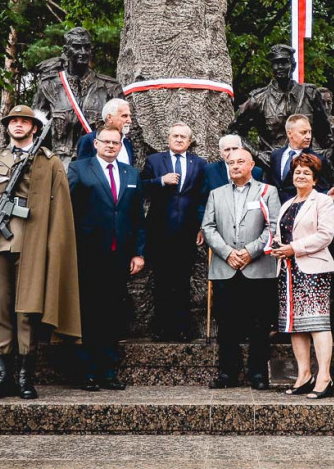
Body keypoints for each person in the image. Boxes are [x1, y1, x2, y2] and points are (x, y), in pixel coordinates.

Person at [0, 105, 81, 400]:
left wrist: (54, 248)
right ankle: (4, 375)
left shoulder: (49, 162)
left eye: (24, 121)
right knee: (0, 310)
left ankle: (26, 375)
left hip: (33, 243)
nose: (18, 125)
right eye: (13, 121)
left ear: (34, 128)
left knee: (26, 311)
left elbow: (60, 210)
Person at [67, 125, 147, 390]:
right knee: (90, 314)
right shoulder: (80, 169)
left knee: (113, 314)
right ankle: (88, 372)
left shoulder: (131, 173)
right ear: (96, 143)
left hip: (120, 255)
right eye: (107, 142)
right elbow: (68, 211)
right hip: (88, 254)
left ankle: (108, 372)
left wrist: (138, 252)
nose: (111, 146)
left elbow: (137, 217)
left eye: (116, 142)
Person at [200, 148, 280, 389]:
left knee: (259, 324)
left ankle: (257, 374)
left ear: (251, 164)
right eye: (230, 162)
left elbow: (273, 227)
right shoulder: (216, 193)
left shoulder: (268, 192)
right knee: (227, 325)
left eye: (240, 162)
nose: (234, 166)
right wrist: (227, 253)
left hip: (257, 268)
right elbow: (208, 227)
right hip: (226, 267)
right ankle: (227, 374)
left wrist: (249, 252)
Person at [271, 153, 334, 399]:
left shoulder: (322, 202)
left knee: (317, 324)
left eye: (306, 173)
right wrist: (278, 246)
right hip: (288, 270)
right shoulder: (287, 204)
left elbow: (325, 235)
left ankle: (325, 378)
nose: (300, 175)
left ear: (315, 179)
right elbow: (284, 234)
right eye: (297, 171)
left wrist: (294, 248)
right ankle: (304, 375)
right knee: (295, 325)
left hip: (313, 270)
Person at [141, 122, 208, 341]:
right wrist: (161, 180)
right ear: (168, 139)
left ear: (190, 142)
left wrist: (200, 226)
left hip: (187, 232)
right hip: (160, 231)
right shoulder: (154, 160)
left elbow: (202, 197)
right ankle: (161, 329)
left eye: (183, 137)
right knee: (161, 280)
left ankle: (182, 329)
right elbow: (140, 186)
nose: (179, 139)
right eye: (175, 136)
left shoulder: (199, 163)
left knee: (182, 280)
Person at [229, 44, 332, 166]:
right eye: (275, 63)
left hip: (306, 166)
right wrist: (257, 155)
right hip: (272, 167)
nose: (280, 67)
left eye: (284, 63)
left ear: (293, 65)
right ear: (271, 68)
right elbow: (234, 132)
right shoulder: (258, 99)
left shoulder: (310, 94)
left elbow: (324, 134)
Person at [32, 27, 122, 165]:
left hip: (97, 165)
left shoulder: (110, 87)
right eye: (77, 47)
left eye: (87, 47)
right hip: (60, 166)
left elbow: (125, 130)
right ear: (66, 50)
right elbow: (34, 131)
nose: (83, 52)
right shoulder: (48, 86)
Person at [267, 114, 334, 205]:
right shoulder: (276, 155)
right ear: (289, 133)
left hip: (301, 210)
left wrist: (327, 194)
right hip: (275, 210)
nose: (308, 137)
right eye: (303, 132)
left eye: (309, 132)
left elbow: (321, 188)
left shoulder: (317, 160)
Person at [75, 98, 135, 164]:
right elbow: (82, 170)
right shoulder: (89, 140)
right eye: (124, 116)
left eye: (129, 116)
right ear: (109, 118)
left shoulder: (127, 143)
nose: (129, 120)